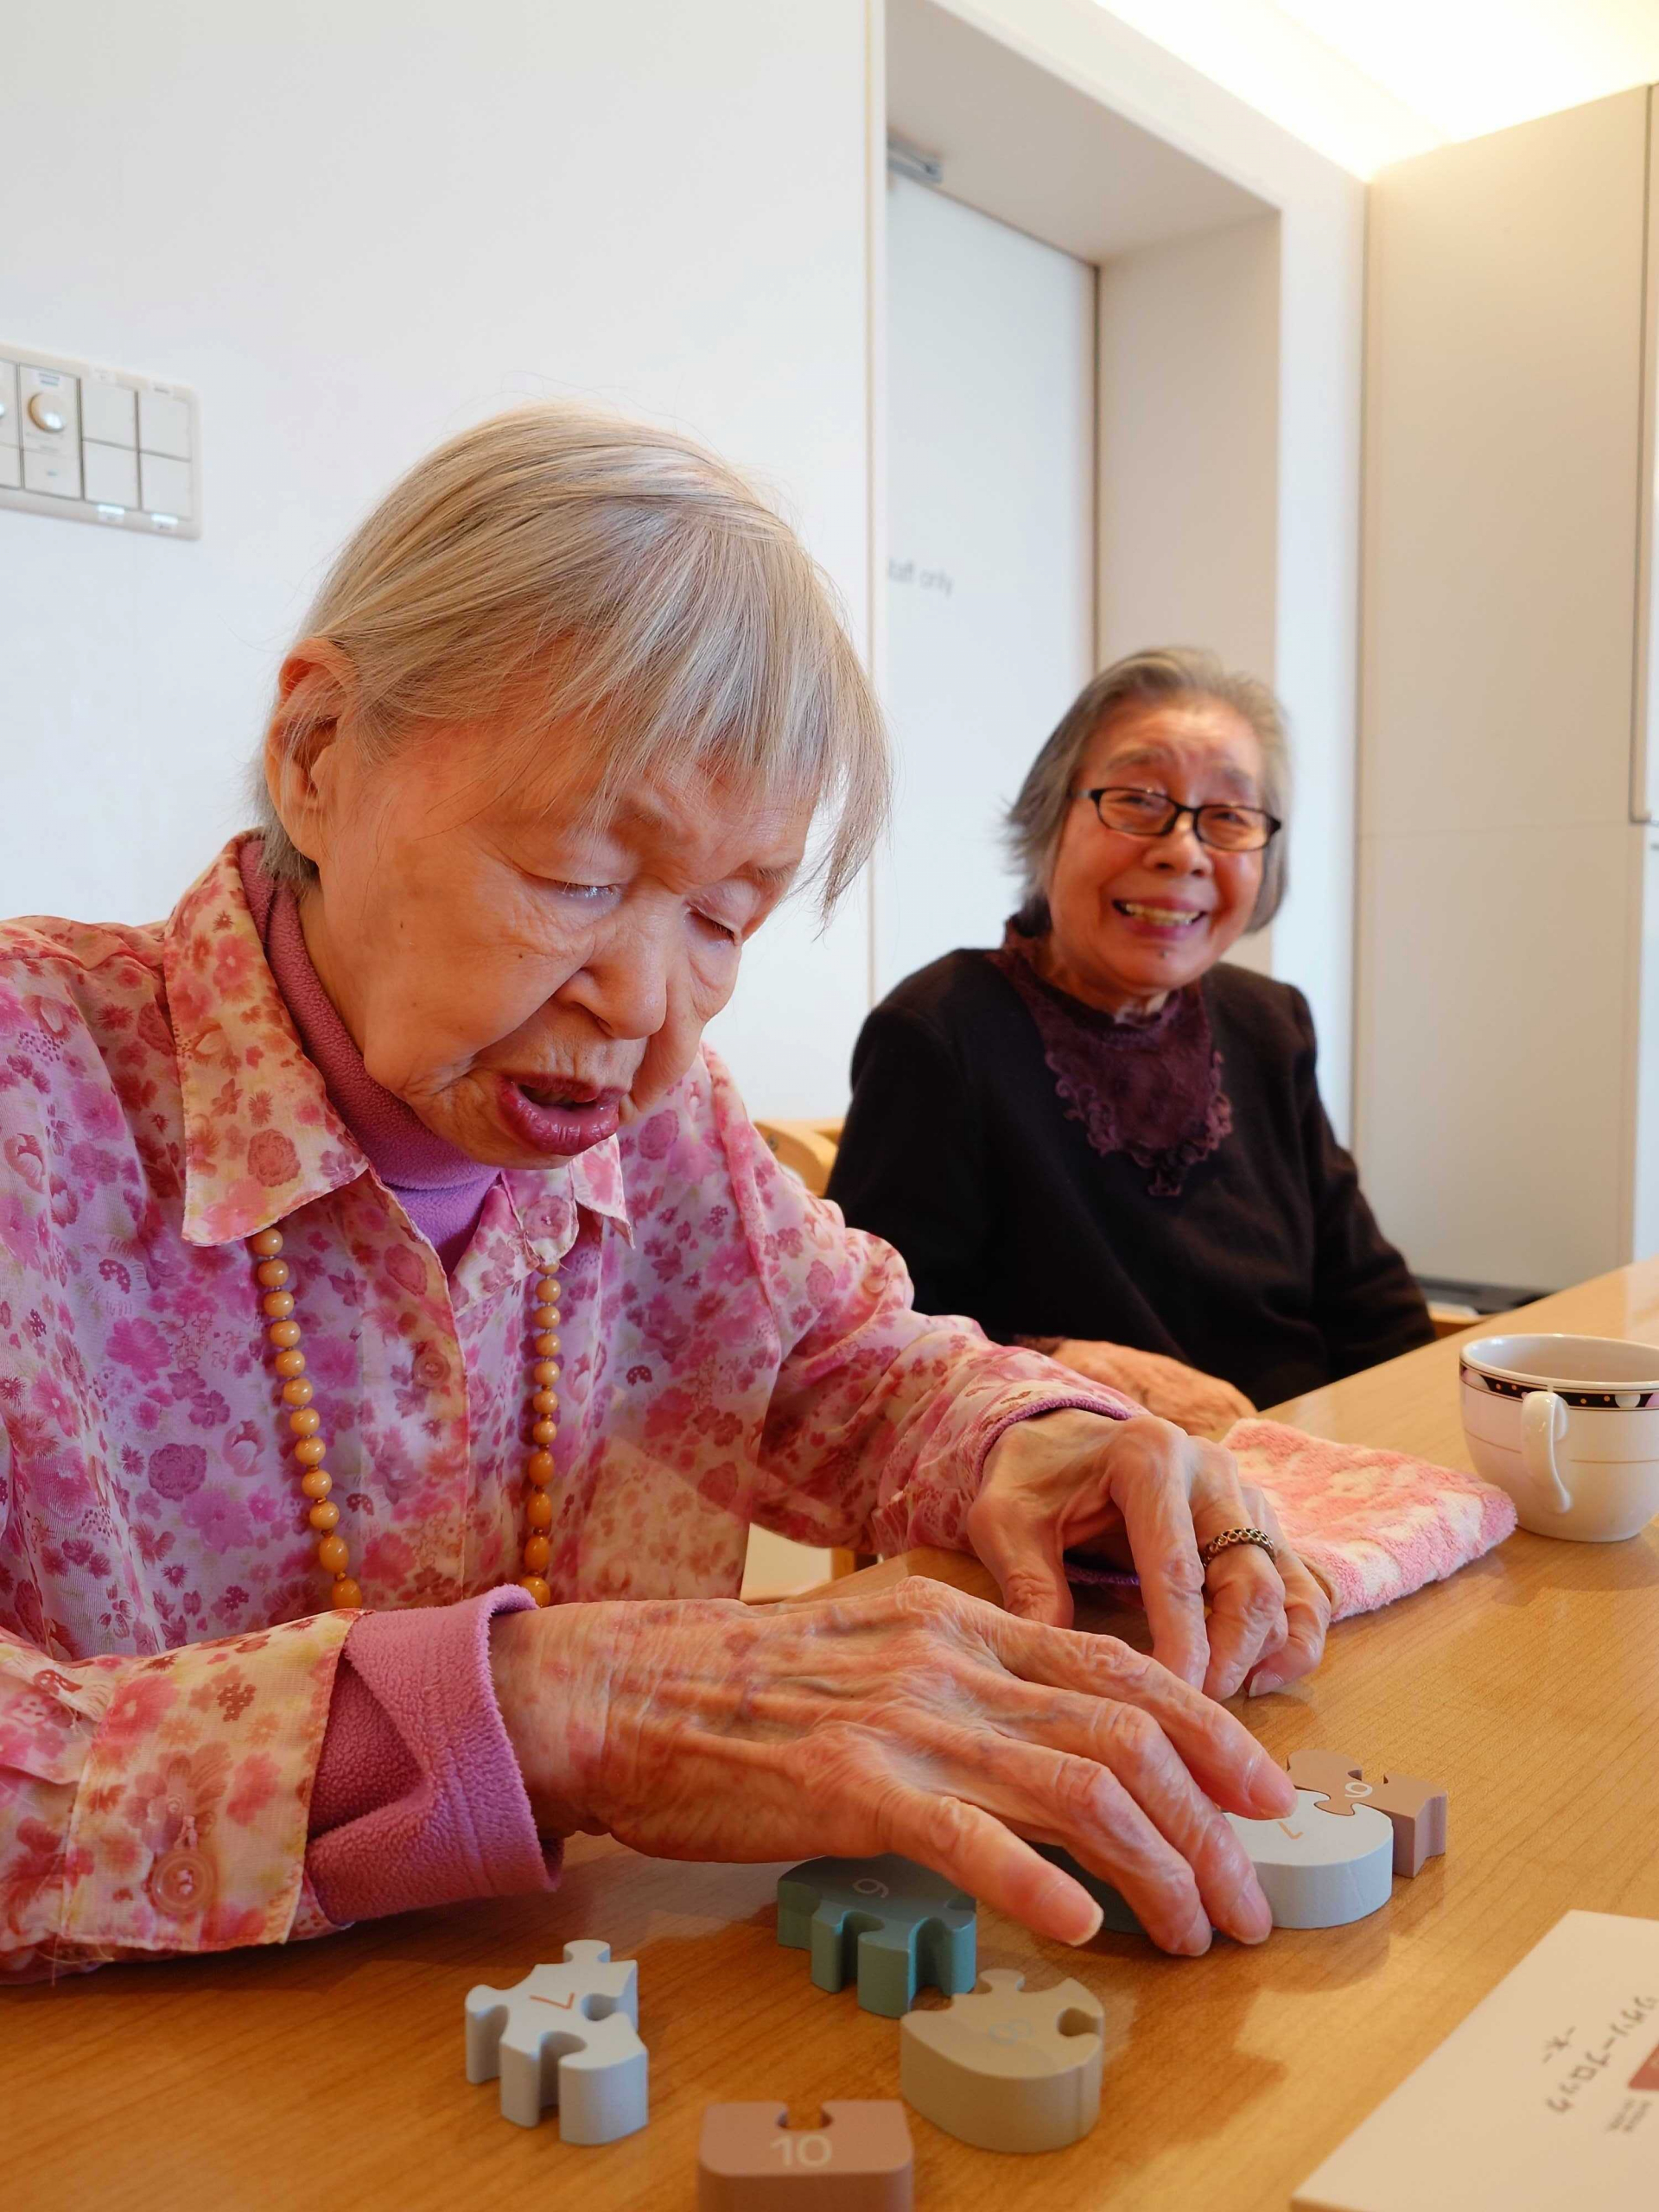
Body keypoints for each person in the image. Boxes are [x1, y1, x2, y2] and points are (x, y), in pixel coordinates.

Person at [0, 422, 1320, 1985]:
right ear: (318, 752)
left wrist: (1037, 1445)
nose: (642, 1004)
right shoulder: (38, 1089)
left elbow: (846, 1364)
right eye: (573, 877)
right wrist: (549, 1712)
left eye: (723, 918)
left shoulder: (661, 1130)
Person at [829, 648, 1433, 1433]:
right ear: (1051, 820)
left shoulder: (1270, 1024)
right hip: (1085, 1485)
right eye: (1139, 800)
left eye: (1229, 817)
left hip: (1309, 1465)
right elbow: (874, 1347)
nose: (1183, 849)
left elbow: (1374, 1309)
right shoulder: (941, 1031)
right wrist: (1063, 1365)